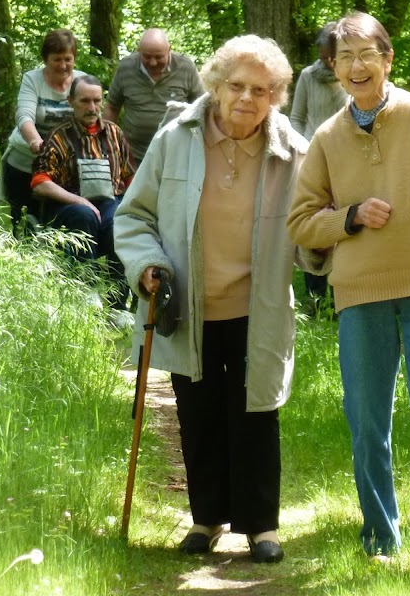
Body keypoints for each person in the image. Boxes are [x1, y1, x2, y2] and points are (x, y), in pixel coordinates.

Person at [286, 12, 410, 576]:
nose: (355, 66)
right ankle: (380, 536)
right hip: (359, 292)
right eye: (343, 57)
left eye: (365, 54)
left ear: (387, 60)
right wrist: (347, 218)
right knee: (368, 421)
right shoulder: (326, 138)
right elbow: (301, 222)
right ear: (332, 68)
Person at [114, 34, 315, 564]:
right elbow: (134, 216)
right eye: (237, 86)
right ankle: (206, 518)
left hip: (259, 303)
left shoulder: (293, 152)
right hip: (190, 301)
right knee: (198, 411)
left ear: (275, 96)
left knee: (256, 411)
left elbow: (312, 225)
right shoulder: (176, 138)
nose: (247, 98)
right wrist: (147, 266)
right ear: (215, 84)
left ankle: (261, 526)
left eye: (261, 89)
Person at [32, 75, 136, 305]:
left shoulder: (114, 133)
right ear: (70, 101)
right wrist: (79, 201)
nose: (92, 108)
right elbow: (40, 182)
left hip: (110, 202)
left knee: (121, 222)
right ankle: (86, 292)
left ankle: (117, 304)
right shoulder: (58, 136)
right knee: (84, 215)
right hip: (67, 206)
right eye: (84, 101)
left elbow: (129, 177)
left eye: (96, 101)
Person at [0, 29, 86, 235]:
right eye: (57, 59)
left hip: (66, 162)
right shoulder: (33, 79)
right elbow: (24, 116)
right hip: (26, 159)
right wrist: (36, 141)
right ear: (46, 59)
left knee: (61, 218)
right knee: (24, 222)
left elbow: (91, 115)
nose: (63, 65)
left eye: (68, 59)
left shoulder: (83, 81)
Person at [289, 21, 346, 308]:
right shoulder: (309, 76)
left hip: (347, 163)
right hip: (312, 161)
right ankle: (313, 299)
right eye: (323, 56)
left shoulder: (354, 76)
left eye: (332, 57)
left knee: (345, 224)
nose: (327, 62)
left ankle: (341, 300)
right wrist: (304, 149)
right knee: (315, 224)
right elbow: (296, 118)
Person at [103, 28, 206, 164]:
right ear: (139, 51)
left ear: (169, 50)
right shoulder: (126, 67)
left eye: (158, 57)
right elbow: (112, 106)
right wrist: (105, 142)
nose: (152, 62)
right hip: (133, 154)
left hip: (176, 153)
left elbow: (202, 106)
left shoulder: (185, 67)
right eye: (146, 56)